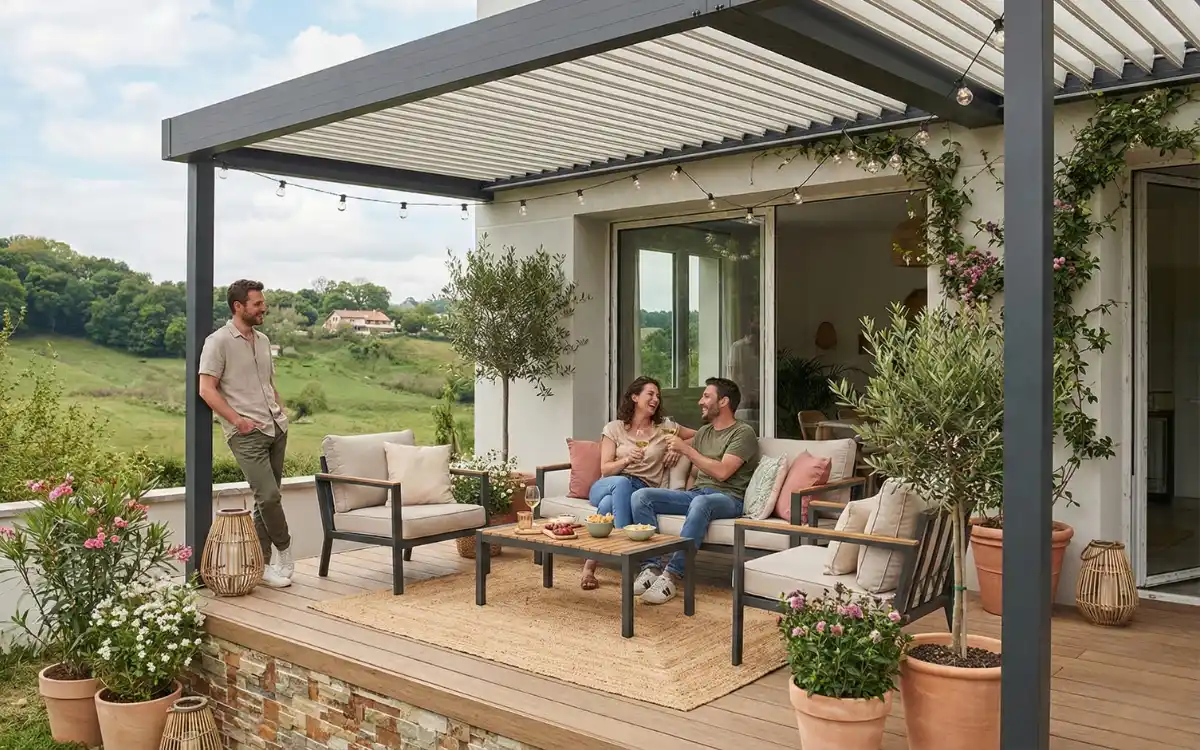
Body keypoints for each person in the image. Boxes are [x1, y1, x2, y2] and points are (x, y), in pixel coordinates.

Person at [629, 377, 759, 605]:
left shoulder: (743, 433)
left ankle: (671, 576)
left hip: (729, 498)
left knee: (701, 503)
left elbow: (722, 472)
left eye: (707, 396)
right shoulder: (704, 433)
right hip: (698, 494)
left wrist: (686, 451)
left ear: (724, 402)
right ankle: (651, 568)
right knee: (642, 496)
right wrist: (684, 472)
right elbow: (692, 472)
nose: (701, 401)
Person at [198, 279, 293, 588]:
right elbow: (206, 390)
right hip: (246, 433)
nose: (263, 307)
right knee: (269, 495)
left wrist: (281, 412)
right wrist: (237, 421)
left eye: (262, 302)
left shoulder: (263, 340)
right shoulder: (218, 342)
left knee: (264, 502)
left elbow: (268, 384)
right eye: (257, 304)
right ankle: (285, 550)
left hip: (276, 428)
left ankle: (261, 565)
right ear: (238, 307)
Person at [580, 376, 687, 590]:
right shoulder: (614, 428)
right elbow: (605, 469)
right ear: (635, 397)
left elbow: (699, 436)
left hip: (641, 489)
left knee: (608, 506)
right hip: (608, 484)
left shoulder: (664, 427)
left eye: (658, 395)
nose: (655, 399)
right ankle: (626, 556)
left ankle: (589, 569)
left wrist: (678, 447)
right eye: (650, 394)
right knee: (620, 485)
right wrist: (627, 459)